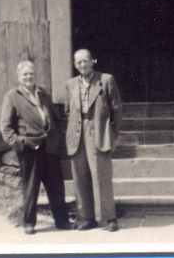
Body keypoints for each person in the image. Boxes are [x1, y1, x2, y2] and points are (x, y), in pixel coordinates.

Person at [0, 60, 75, 235]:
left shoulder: (43, 93)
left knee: (56, 185)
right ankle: (28, 222)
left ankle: (62, 221)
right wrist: (20, 142)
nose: (29, 77)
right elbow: (6, 127)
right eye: (25, 74)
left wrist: (57, 139)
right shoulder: (12, 96)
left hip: (50, 147)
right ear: (19, 77)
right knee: (31, 186)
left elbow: (55, 118)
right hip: (30, 148)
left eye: (31, 73)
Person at [65, 49, 122, 232]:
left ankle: (108, 217)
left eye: (85, 61)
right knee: (80, 176)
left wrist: (111, 134)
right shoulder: (70, 84)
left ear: (92, 61)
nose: (82, 65)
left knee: (101, 175)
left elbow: (117, 110)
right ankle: (85, 217)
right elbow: (69, 111)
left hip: (97, 132)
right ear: (75, 65)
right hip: (76, 134)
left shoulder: (105, 80)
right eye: (78, 62)